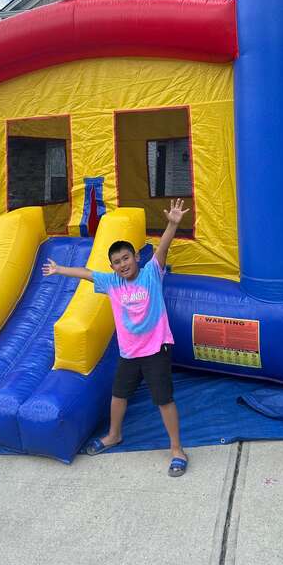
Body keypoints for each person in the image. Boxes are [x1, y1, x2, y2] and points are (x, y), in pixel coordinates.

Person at [42, 199, 189, 477]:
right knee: (118, 395)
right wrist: (60, 269)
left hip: (156, 349)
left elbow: (163, 247)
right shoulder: (112, 283)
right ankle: (114, 434)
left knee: (164, 399)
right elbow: (87, 274)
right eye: (117, 262)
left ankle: (176, 448)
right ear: (112, 267)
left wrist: (172, 224)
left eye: (126, 258)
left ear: (136, 257)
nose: (123, 264)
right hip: (129, 353)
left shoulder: (151, 274)